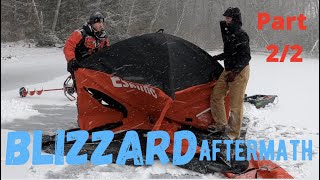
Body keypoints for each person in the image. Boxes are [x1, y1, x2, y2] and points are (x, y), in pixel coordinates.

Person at [210, 7, 251, 140]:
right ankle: (221, 124)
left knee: (235, 104)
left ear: (235, 19)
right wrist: (217, 57)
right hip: (228, 69)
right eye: (225, 18)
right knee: (216, 96)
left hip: (240, 71)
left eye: (228, 18)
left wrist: (235, 71)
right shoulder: (228, 33)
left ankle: (233, 133)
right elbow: (230, 53)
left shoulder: (241, 34)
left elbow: (246, 57)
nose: (225, 20)